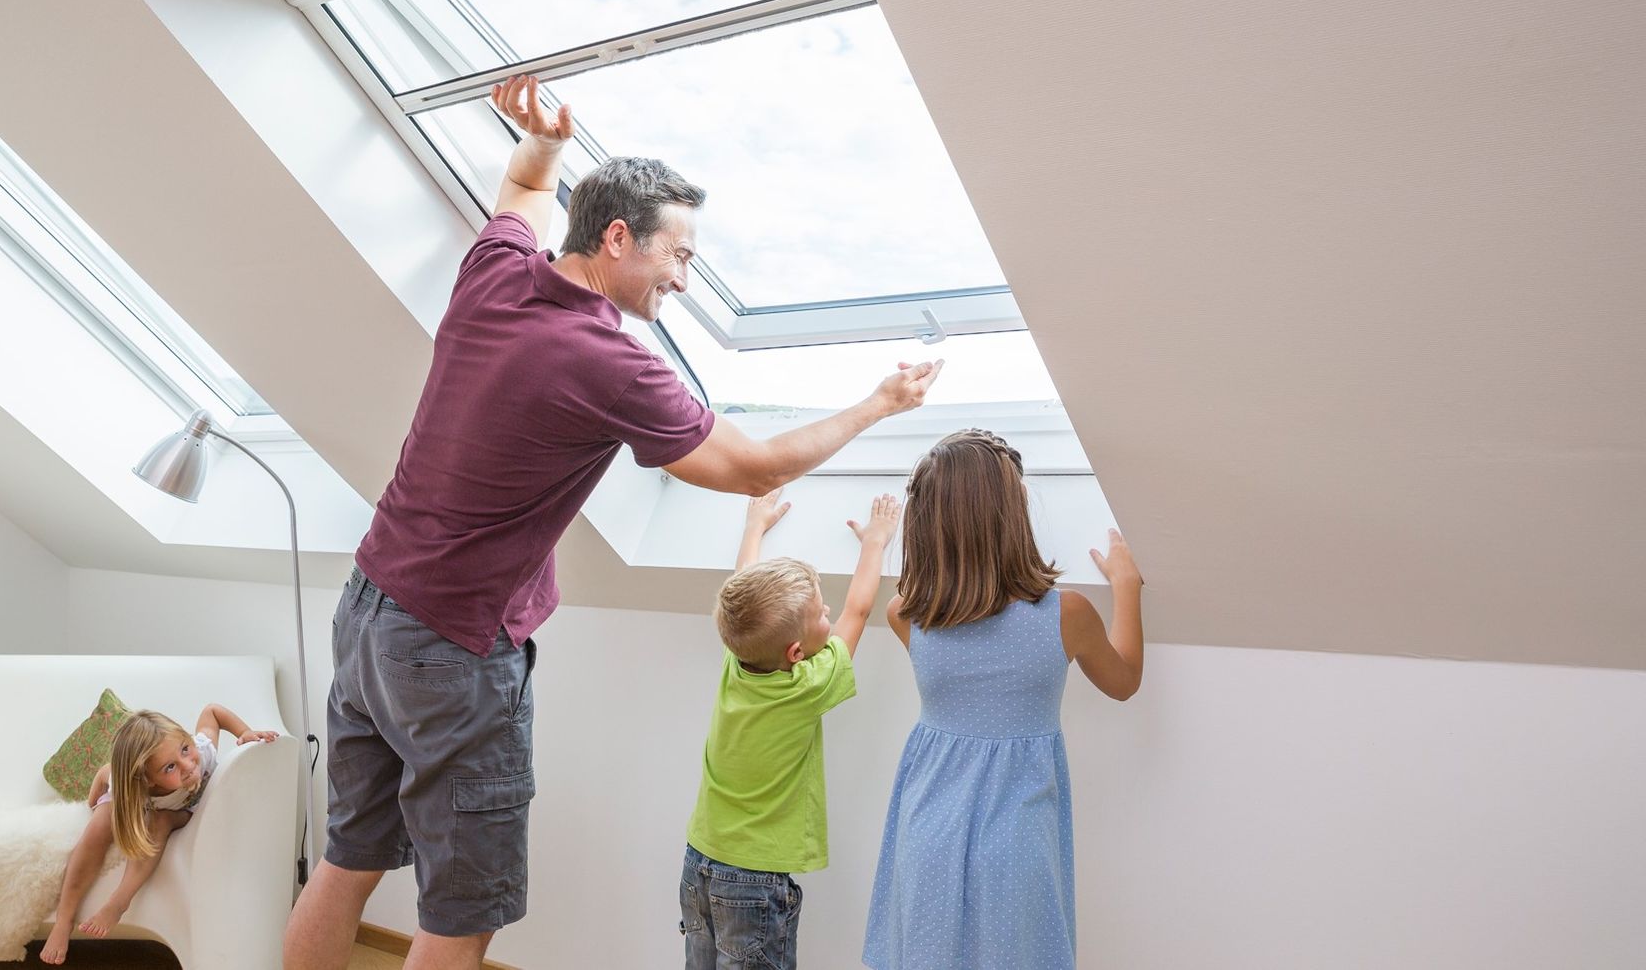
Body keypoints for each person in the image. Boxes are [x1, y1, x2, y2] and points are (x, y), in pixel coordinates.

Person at [284, 76, 943, 970]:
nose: (684, 276)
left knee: (346, 862)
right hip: (449, 647)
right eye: (679, 254)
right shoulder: (607, 361)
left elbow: (519, 194)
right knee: (460, 910)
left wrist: (545, 146)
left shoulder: (497, 272)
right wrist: (878, 402)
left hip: (368, 610)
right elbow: (751, 467)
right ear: (619, 237)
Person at [862, 429, 1144, 969]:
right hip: (1019, 838)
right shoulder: (1067, 616)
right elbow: (1124, 679)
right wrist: (1126, 587)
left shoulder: (907, 616)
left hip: (926, 829)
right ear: (1012, 515)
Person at [681, 489, 899, 969]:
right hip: (754, 878)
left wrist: (754, 527)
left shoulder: (736, 659)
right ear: (796, 653)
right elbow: (858, 612)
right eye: (821, 614)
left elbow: (741, 591)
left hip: (699, 861)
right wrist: (875, 544)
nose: (829, 615)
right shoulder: (807, 686)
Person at [41, 705, 280, 964]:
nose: (188, 765)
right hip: (136, 797)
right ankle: (63, 921)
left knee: (160, 819)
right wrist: (94, 802)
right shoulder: (132, 786)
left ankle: (119, 902)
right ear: (149, 780)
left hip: (179, 811)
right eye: (170, 767)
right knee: (99, 824)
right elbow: (104, 778)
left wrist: (244, 733)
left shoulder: (203, 751)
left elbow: (212, 712)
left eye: (185, 749)